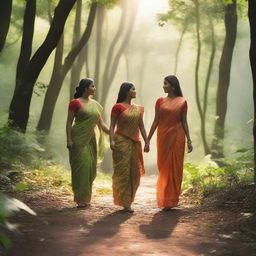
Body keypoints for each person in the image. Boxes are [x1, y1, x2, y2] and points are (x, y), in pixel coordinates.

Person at [147, 75, 193, 211]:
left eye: (166, 84)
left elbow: (184, 121)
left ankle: (171, 200)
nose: (163, 86)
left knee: (175, 168)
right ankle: (164, 198)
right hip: (163, 137)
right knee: (163, 167)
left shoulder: (182, 101)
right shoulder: (159, 101)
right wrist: (148, 140)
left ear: (173, 86)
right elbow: (156, 121)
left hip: (178, 137)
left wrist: (189, 140)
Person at [66, 78, 109, 208]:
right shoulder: (75, 103)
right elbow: (69, 122)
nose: (94, 88)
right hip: (78, 139)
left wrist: (115, 133)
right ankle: (80, 199)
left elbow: (102, 125)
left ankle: (86, 198)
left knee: (90, 168)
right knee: (82, 167)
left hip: (90, 140)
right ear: (85, 88)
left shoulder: (95, 105)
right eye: (92, 86)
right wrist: (68, 139)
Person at [110, 82, 149, 212]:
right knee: (122, 172)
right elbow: (112, 126)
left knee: (134, 172)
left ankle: (129, 200)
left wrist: (147, 141)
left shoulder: (138, 109)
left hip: (135, 143)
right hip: (121, 141)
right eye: (133, 89)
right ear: (127, 91)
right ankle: (124, 202)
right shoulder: (117, 107)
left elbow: (141, 126)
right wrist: (111, 141)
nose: (135, 91)